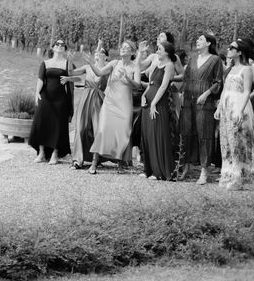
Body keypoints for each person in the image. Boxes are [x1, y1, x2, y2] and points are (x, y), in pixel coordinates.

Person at [85, 40, 141, 174]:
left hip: (125, 104)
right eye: (122, 46)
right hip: (110, 103)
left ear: (132, 52)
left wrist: (128, 79)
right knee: (103, 129)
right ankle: (94, 161)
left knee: (122, 132)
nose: (123, 48)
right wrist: (90, 63)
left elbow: (138, 85)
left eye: (127, 47)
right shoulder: (114, 63)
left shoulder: (135, 67)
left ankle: (120, 163)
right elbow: (99, 73)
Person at [176, 34, 224, 185]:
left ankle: (204, 170)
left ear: (208, 43)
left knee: (205, 135)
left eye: (201, 39)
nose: (197, 41)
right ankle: (186, 166)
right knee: (187, 132)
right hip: (189, 99)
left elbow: (218, 82)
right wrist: (182, 92)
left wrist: (207, 93)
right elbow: (186, 78)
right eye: (197, 39)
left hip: (205, 101)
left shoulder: (215, 60)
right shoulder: (192, 58)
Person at [215, 39, 254, 190]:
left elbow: (247, 91)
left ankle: (240, 177)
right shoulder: (231, 69)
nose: (228, 50)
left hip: (239, 106)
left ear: (239, 52)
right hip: (226, 107)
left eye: (232, 48)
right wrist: (219, 107)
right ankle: (228, 173)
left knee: (239, 141)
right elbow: (225, 90)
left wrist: (240, 109)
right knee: (226, 141)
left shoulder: (246, 69)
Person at [61, 41, 108, 169]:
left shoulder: (108, 67)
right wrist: (70, 60)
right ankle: (77, 160)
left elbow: (99, 78)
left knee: (98, 129)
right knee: (81, 128)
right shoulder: (87, 67)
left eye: (102, 52)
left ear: (106, 57)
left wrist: (95, 56)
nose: (98, 53)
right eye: (97, 52)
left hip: (99, 100)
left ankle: (95, 160)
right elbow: (71, 73)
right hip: (86, 98)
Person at [29, 39, 75, 165]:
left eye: (62, 45)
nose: (60, 46)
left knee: (57, 125)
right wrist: (37, 93)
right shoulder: (45, 63)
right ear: (53, 48)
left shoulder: (67, 63)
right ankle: (42, 153)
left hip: (60, 98)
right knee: (42, 122)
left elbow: (76, 77)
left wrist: (69, 78)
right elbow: (40, 79)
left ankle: (55, 154)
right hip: (45, 97)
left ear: (65, 49)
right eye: (57, 44)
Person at [139, 41, 176, 180]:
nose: (157, 51)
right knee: (147, 135)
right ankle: (147, 168)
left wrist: (154, 103)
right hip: (148, 102)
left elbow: (163, 86)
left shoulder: (169, 66)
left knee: (157, 135)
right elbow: (150, 84)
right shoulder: (155, 64)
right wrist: (143, 95)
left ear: (167, 52)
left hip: (158, 104)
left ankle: (158, 171)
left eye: (159, 49)